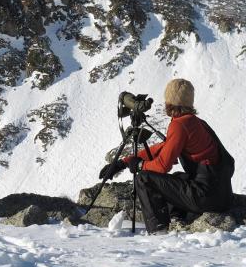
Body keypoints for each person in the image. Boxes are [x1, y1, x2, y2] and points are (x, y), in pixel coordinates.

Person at [99, 79, 234, 234]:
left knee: (144, 179)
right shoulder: (196, 122)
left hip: (206, 196)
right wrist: (123, 162)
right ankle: (178, 218)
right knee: (178, 177)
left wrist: (140, 166)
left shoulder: (180, 125)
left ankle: (158, 232)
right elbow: (164, 147)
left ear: (170, 102)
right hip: (222, 195)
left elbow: (162, 165)